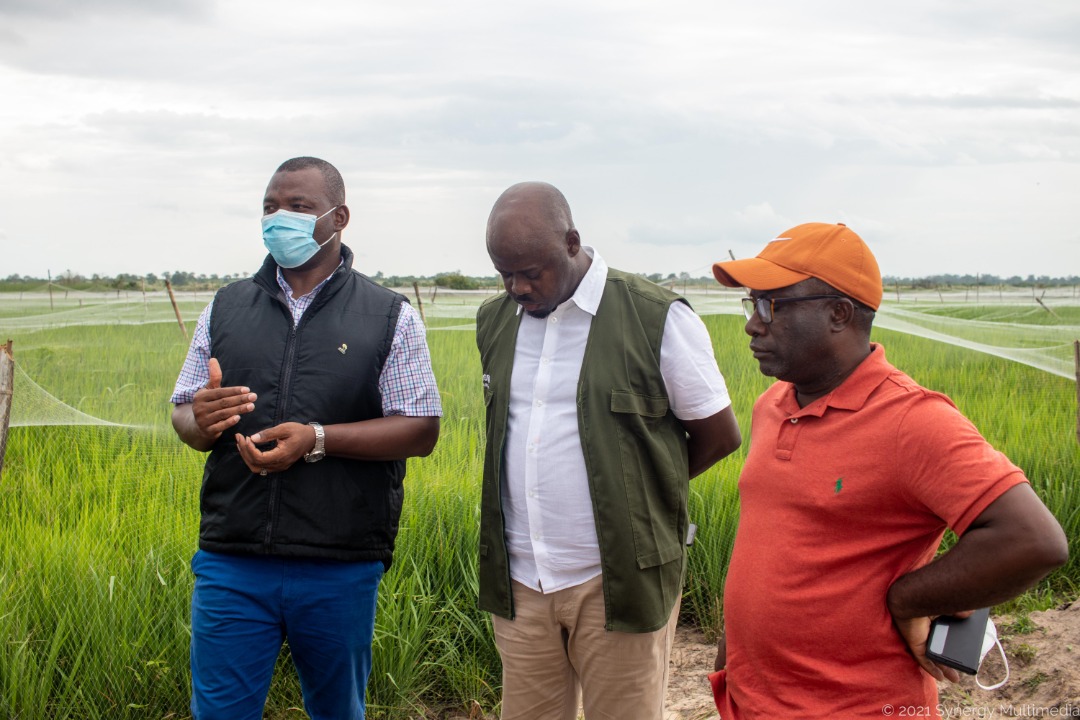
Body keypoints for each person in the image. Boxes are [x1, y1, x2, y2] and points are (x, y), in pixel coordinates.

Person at [709, 222, 1068, 718]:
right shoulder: (774, 403)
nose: (753, 324)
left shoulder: (911, 421)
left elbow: (1033, 540)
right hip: (755, 700)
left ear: (839, 313)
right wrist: (735, 654)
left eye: (771, 304)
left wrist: (908, 599)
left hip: (858, 705)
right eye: (751, 304)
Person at [170, 156, 442, 720]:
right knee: (218, 712)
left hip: (338, 560)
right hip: (232, 557)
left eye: (298, 207)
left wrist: (317, 438)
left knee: (337, 711)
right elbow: (185, 418)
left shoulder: (388, 314)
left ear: (338, 217)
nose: (279, 219)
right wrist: (203, 418)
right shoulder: (224, 307)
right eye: (270, 207)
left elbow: (421, 427)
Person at [476, 181, 743, 720]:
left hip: (618, 579)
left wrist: (639, 495)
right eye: (505, 273)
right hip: (522, 581)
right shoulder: (496, 320)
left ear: (572, 242)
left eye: (531, 271)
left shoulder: (655, 317)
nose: (518, 287)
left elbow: (720, 435)